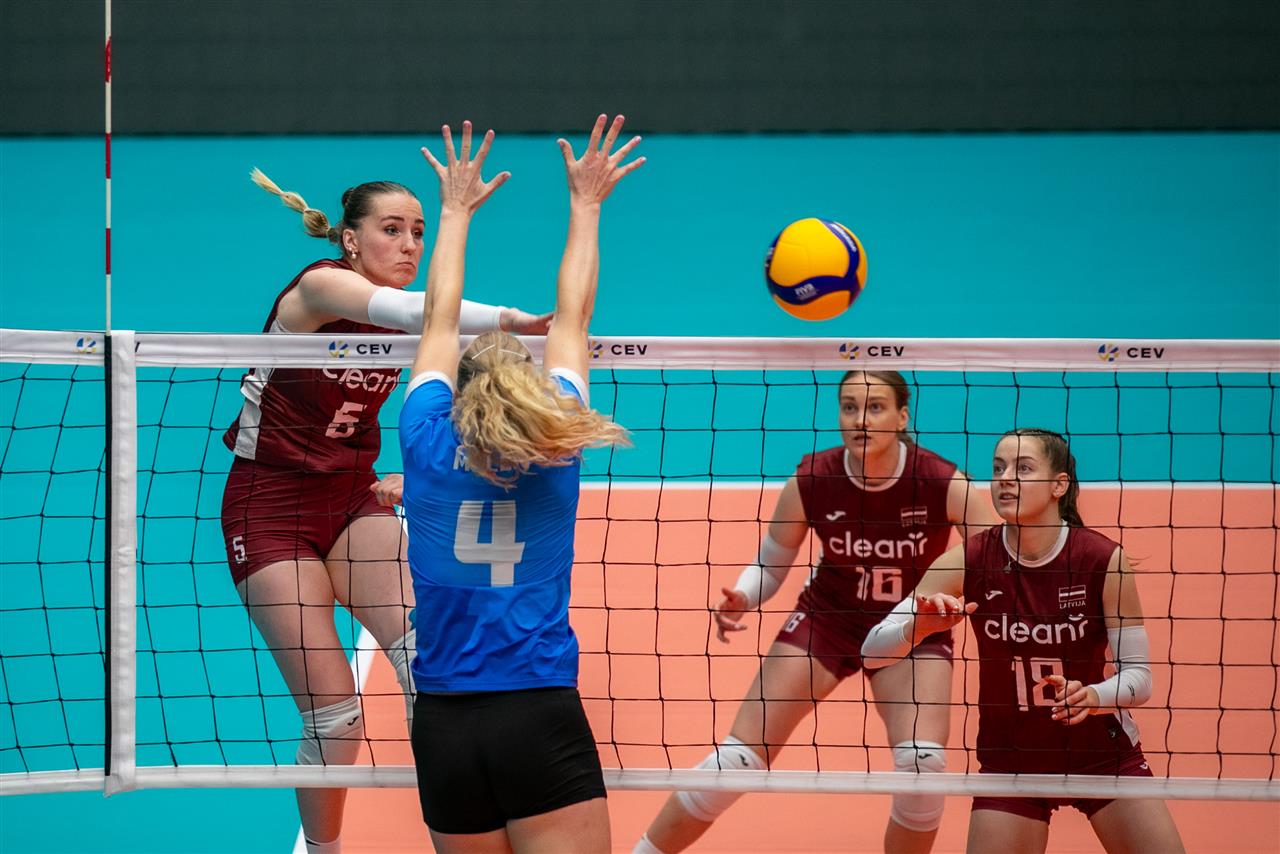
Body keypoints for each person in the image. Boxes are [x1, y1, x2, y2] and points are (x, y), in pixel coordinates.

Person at [220, 164, 550, 854]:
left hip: (352, 497)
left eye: (419, 233)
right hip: (267, 507)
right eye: (392, 230)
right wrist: (508, 319)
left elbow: (470, 393)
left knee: (432, 673)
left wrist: (424, 471)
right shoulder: (319, 288)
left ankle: (461, 840)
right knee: (336, 718)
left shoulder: (414, 315)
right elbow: (424, 313)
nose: (409, 245)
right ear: (350, 239)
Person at [399, 116, 642, 853]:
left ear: (458, 391)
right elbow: (574, 315)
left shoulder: (424, 439)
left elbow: (438, 318)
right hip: (537, 712)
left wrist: (453, 212)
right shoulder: (559, 440)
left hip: (443, 724)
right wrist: (586, 204)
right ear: (530, 388)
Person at [637, 371, 999, 854]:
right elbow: (771, 563)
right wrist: (744, 594)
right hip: (828, 619)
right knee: (737, 759)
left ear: (902, 417)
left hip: (910, 626)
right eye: (849, 407)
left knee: (923, 765)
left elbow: (995, 559)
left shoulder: (941, 481)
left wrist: (955, 599)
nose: (860, 419)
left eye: (875, 407)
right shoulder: (812, 479)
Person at [861, 428, 1185, 853]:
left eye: (1023, 468)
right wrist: (917, 629)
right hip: (1011, 763)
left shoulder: (1102, 560)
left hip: (1102, 756)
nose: (1005, 479)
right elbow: (872, 651)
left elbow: (1139, 678)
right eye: (998, 469)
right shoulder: (971, 559)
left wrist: (1094, 696)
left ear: (1058, 485)